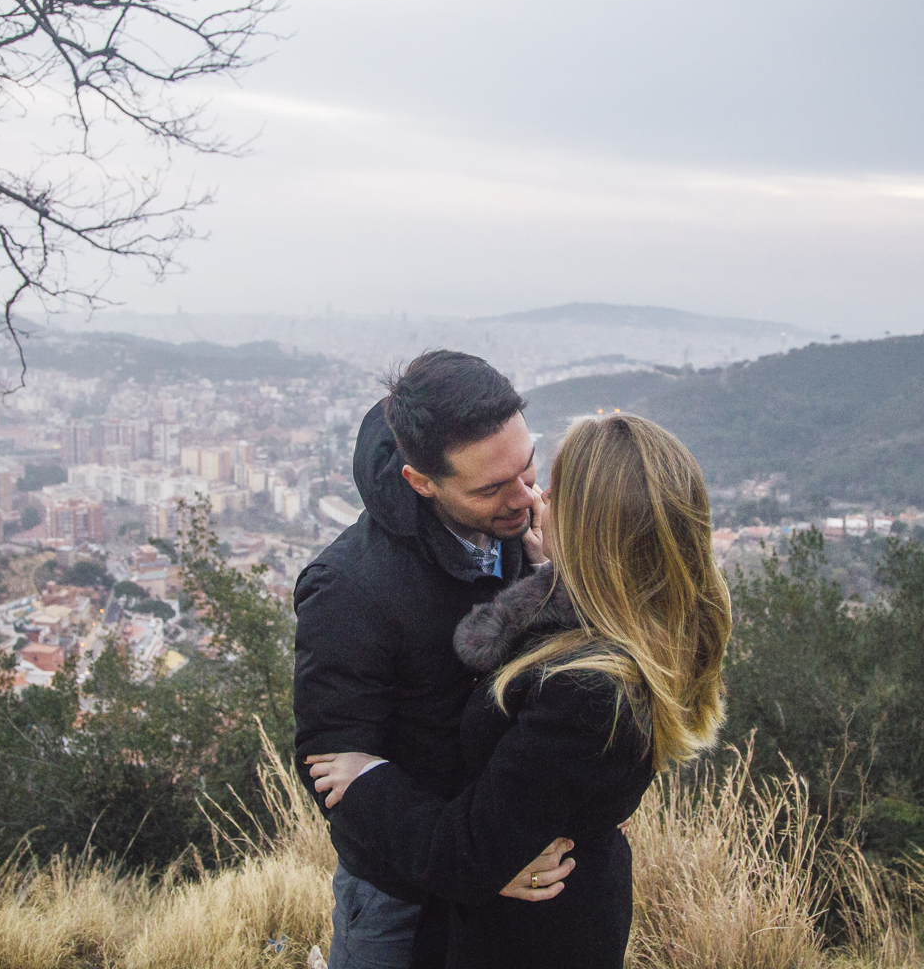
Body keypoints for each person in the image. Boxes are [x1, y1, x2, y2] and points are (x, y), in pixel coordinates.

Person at [308, 413, 734, 969]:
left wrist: (366, 780)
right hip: (570, 907)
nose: (536, 496)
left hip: (525, 936)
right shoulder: (654, 625)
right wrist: (549, 570)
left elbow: (471, 854)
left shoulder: (586, 692)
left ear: (592, 535)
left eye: (555, 492)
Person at [294, 351, 569, 969]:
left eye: (528, 469)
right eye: (492, 488)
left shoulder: (525, 538)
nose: (524, 498)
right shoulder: (348, 588)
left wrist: (556, 576)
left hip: (515, 858)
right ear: (421, 481)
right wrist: (473, 862)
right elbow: (331, 763)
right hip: (402, 892)